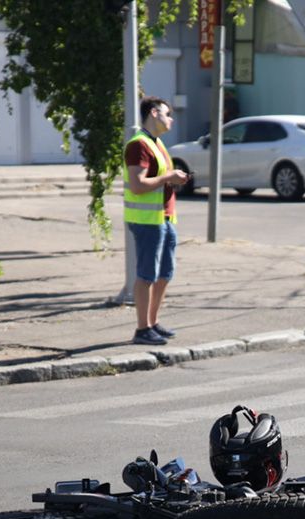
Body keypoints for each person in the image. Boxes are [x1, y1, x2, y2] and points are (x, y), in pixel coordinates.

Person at [124, 95, 191, 345]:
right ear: (153, 113)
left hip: (164, 217)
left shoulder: (157, 143)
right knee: (146, 275)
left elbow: (161, 177)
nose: (171, 118)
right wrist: (169, 177)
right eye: (167, 113)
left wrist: (175, 178)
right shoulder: (138, 144)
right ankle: (142, 330)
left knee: (165, 273)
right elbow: (137, 184)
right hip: (147, 220)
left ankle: (152, 322)